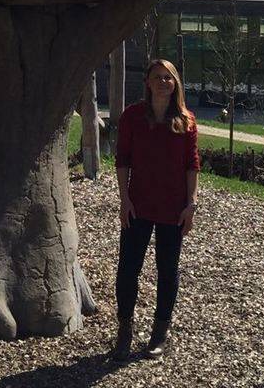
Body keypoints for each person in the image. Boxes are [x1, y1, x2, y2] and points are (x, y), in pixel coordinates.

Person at [113, 57, 199, 360]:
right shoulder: (133, 116)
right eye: (158, 77)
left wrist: (191, 204)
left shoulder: (186, 120)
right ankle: (125, 329)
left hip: (173, 207)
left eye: (168, 77)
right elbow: (122, 159)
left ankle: (160, 331)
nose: (163, 82)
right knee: (128, 269)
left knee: (167, 270)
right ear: (147, 83)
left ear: (175, 83)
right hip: (138, 204)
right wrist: (124, 199)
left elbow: (191, 165)